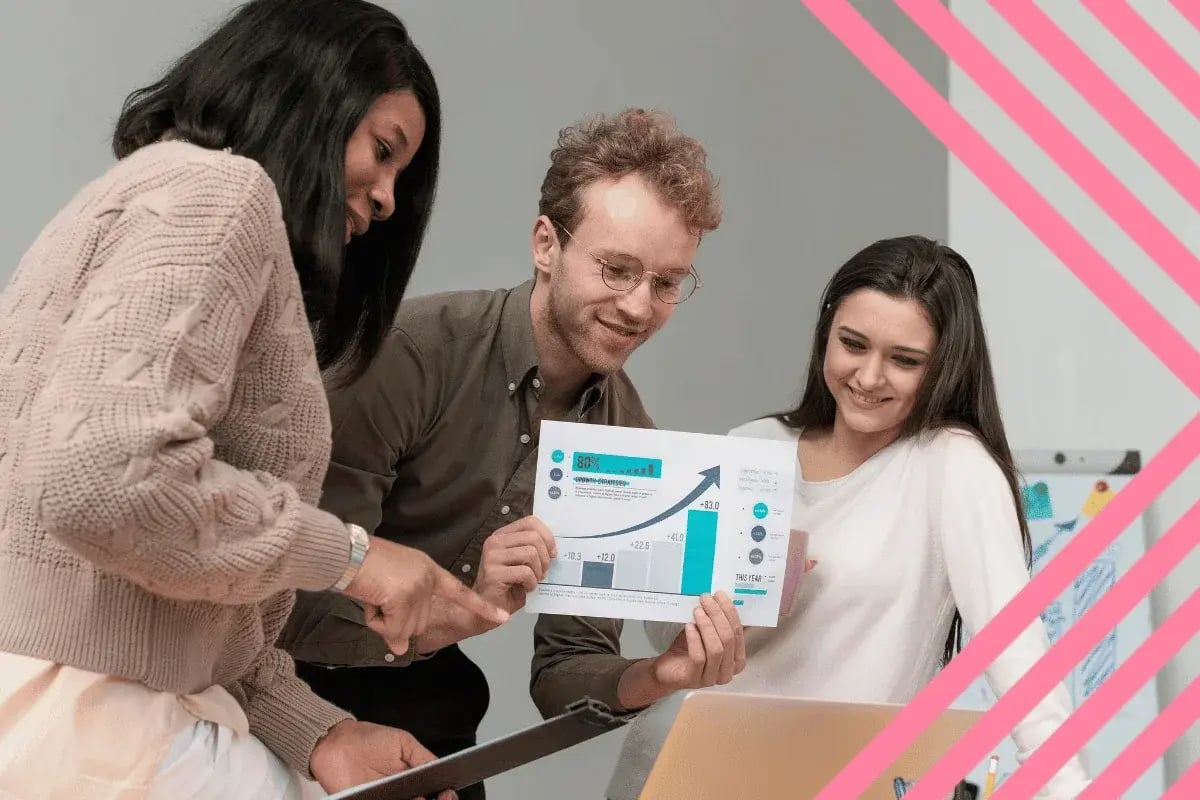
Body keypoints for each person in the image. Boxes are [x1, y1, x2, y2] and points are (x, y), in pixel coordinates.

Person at [0, 2, 508, 798]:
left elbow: (180, 586)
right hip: (98, 726)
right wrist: (355, 559)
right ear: (306, 96)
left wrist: (321, 734)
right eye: (383, 151)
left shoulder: (136, 196)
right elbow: (105, 478)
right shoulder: (221, 193)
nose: (386, 200)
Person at [278, 108, 746, 800]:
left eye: (667, 282)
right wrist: (459, 608)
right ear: (546, 244)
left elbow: (567, 666)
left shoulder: (630, 442)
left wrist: (659, 675)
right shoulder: (406, 357)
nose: (639, 307)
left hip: (426, 704)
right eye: (616, 269)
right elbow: (288, 592)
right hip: (277, 689)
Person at [531, 235, 1091, 800]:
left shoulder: (951, 466)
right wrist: (740, 609)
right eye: (853, 344)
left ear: (945, 365)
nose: (869, 377)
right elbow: (670, 635)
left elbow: (1018, 654)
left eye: (904, 360)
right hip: (677, 772)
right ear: (827, 332)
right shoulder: (755, 445)